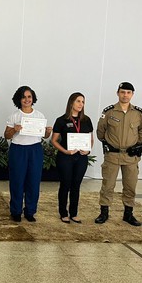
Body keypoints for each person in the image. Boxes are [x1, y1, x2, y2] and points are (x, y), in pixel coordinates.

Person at [95, 82, 142, 226]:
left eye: (128, 92)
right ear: (117, 93)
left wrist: (137, 144)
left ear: (132, 94)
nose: (125, 95)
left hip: (131, 157)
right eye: (123, 92)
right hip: (112, 155)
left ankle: (128, 214)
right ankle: (104, 212)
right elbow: (100, 131)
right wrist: (107, 142)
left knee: (130, 186)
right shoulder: (109, 112)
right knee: (108, 185)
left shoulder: (138, 113)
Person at [4, 86, 52, 222]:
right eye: (24, 97)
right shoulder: (14, 116)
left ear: (33, 98)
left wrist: (48, 132)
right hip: (18, 150)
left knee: (33, 181)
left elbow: (44, 136)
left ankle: (30, 211)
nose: (27, 99)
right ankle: (16, 211)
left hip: (35, 150)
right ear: (19, 99)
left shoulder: (39, 115)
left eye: (29, 97)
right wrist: (14, 129)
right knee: (17, 181)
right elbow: (6, 135)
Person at [51, 92, 94, 223]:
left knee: (76, 185)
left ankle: (74, 213)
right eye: (78, 101)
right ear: (71, 103)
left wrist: (87, 150)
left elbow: (90, 139)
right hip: (66, 158)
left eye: (83, 102)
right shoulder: (61, 120)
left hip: (81, 158)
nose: (81, 104)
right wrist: (65, 151)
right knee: (65, 184)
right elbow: (54, 140)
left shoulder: (86, 120)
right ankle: (63, 213)